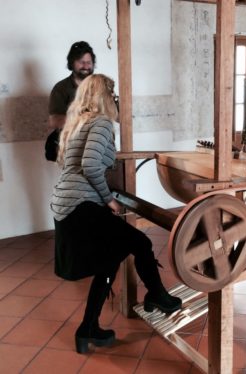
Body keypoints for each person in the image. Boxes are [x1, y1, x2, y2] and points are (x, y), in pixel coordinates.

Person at [50, 74, 182, 354]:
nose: (115, 100)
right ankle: (157, 296)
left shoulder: (78, 123)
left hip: (66, 205)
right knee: (141, 243)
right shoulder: (100, 123)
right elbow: (91, 166)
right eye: (112, 95)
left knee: (108, 263)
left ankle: (88, 329)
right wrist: (109, 200)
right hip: (81, 206)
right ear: (104, 97)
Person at [48, 41, 96, 130]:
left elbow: (116, 115)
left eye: (89, 62)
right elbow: (54, 121)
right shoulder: (61, 88)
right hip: (72, 140)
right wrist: (84, 119)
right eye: (81, 62)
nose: (85, 66)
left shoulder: (102, 87)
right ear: (72, 63)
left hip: (100, 140)